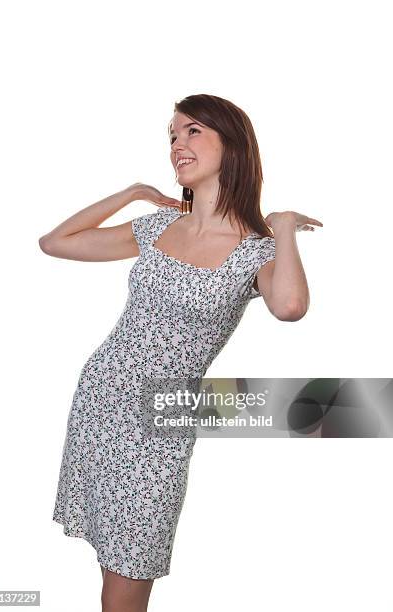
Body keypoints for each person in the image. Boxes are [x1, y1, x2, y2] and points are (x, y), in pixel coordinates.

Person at [39, 93, 322, 612]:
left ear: (232, 144)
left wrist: (281, 227)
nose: (177, 144)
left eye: (192, 131)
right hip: (101, 399)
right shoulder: (156, 228)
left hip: (159, 420)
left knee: (130, 572)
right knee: (110, 571)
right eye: (171, 135)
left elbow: (290, 306)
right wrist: (132, 193)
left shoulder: (258, 249)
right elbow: (54, 242)